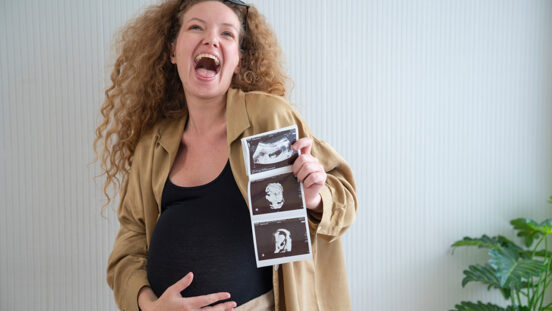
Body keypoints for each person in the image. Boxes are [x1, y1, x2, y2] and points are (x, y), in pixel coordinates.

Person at [94, 0, 357, 310]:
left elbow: (345, 200)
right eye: (196, 27)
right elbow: (128, 249)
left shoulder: (268, 119)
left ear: (239, 60)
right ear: (173, 51)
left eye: (227, 33)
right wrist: (150, 306)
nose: (211, 39)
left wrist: (314, 199)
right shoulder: (153, 145)